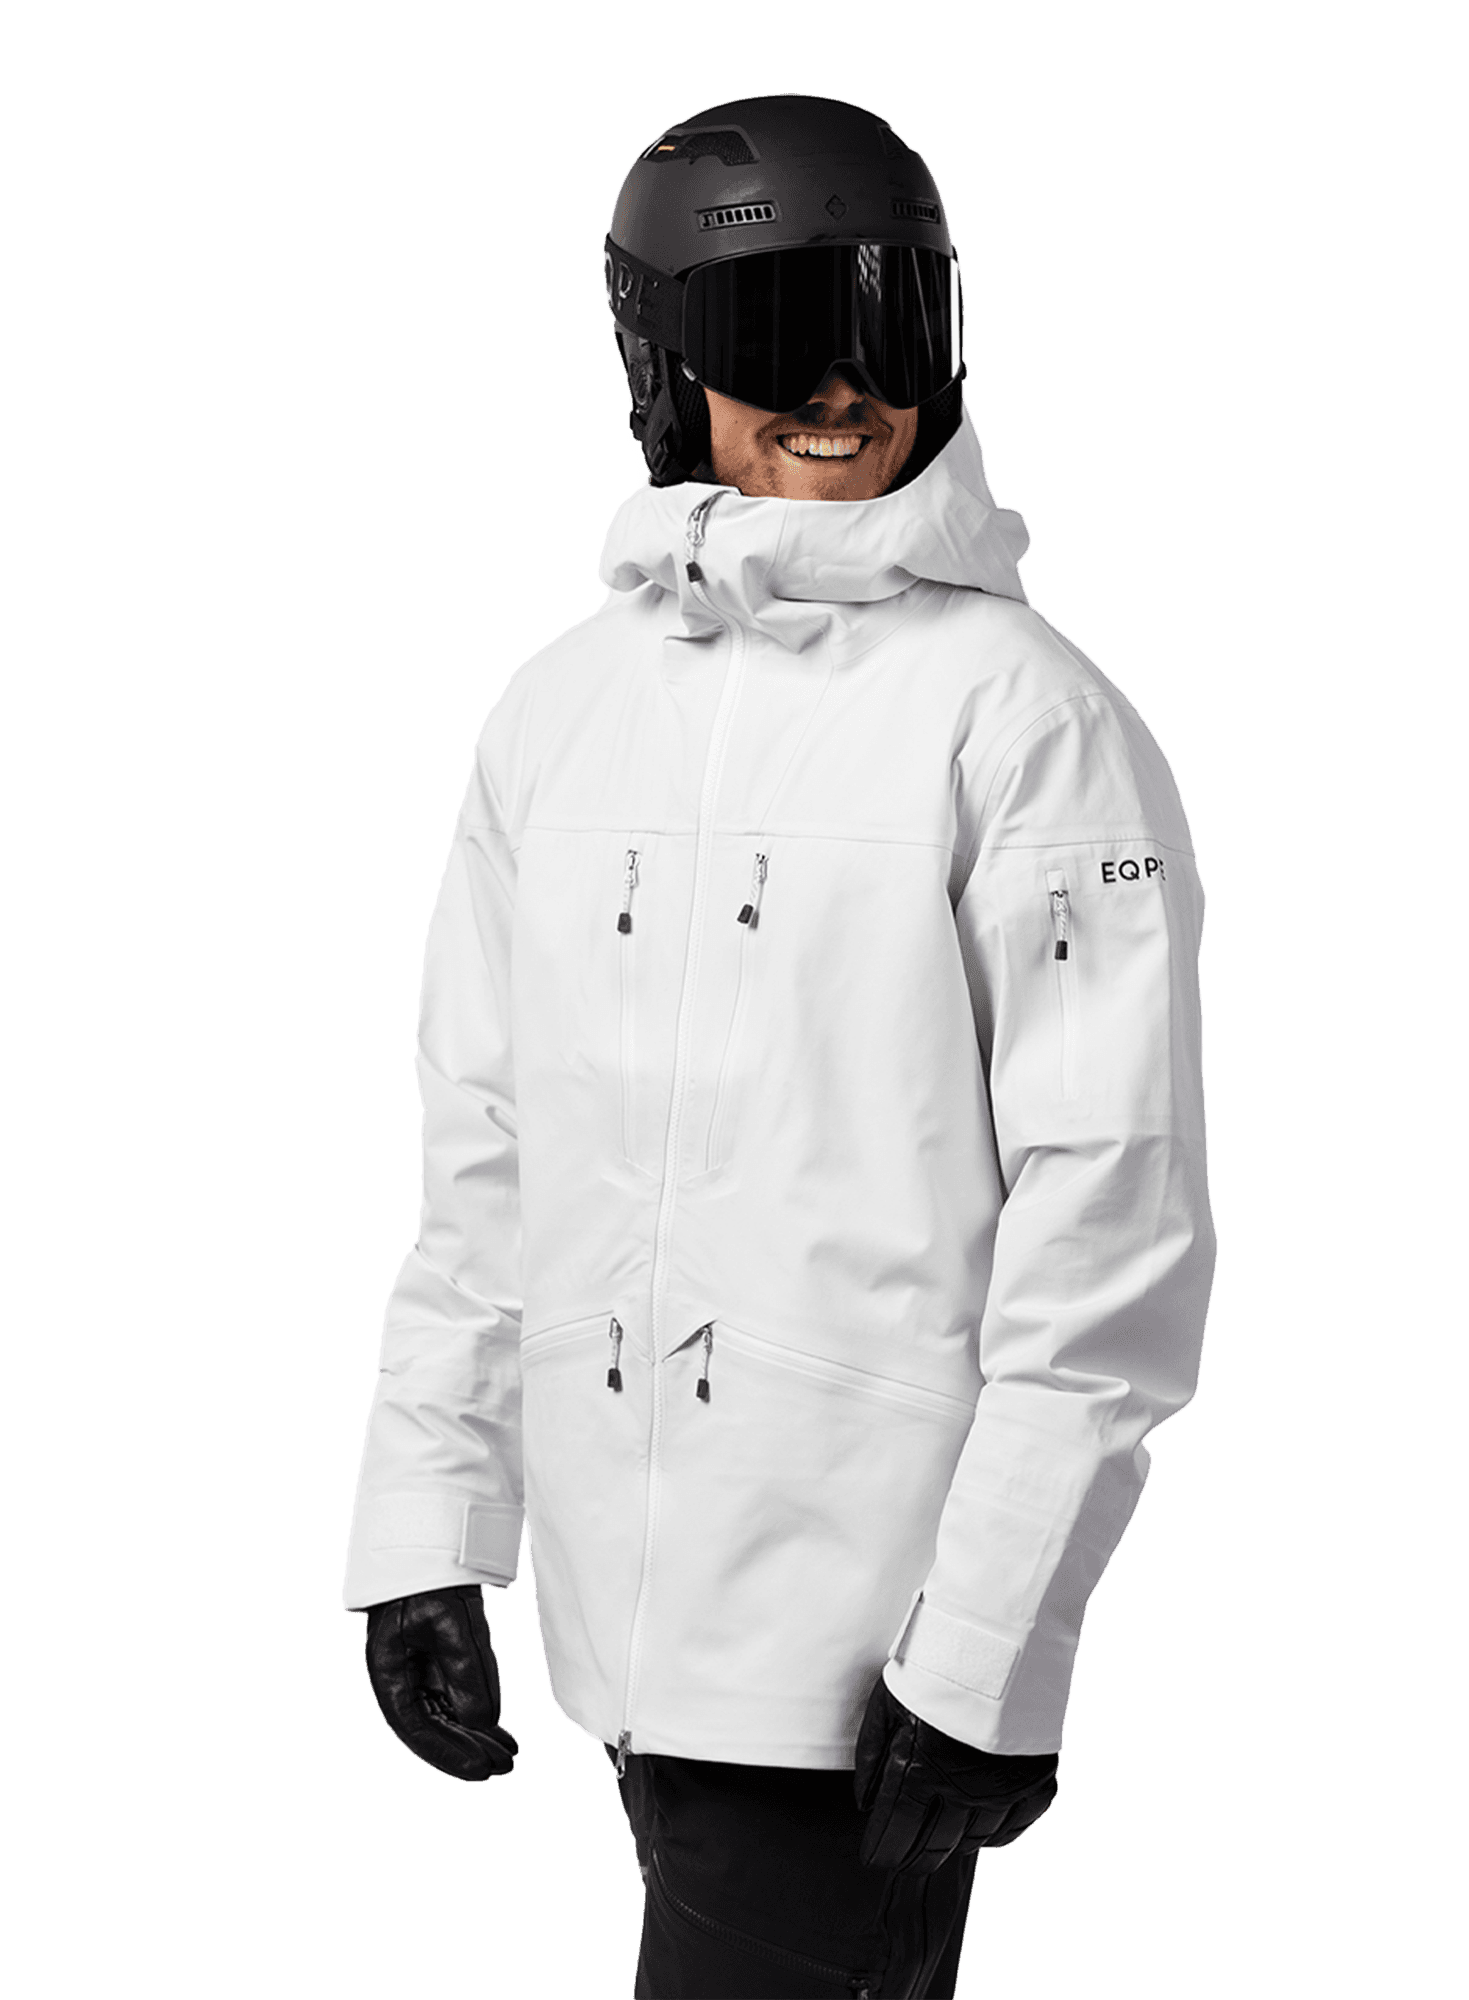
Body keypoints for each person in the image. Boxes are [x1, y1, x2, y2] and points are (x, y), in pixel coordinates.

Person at [343, 93, 1216, 1999]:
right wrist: (430, 1519)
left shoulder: (1027, 724)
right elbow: (486, 1155)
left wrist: (990, 1649)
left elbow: (1111, 1230)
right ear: (659, 366)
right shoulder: (555, 716)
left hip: (866, 1658)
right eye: (773, 332)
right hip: (629, 1631)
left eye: (887, 325)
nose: (841, 390)